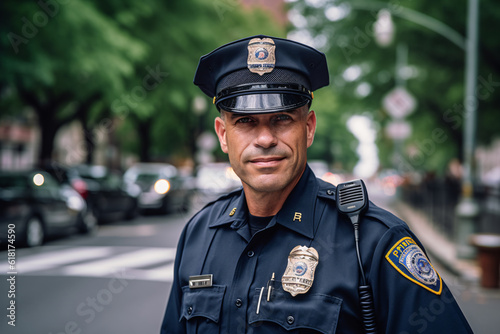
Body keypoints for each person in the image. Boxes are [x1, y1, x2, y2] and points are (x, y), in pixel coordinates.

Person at [160, 35, 473, 334]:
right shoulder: (198, 235)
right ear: (222, 134)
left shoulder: (373, 242)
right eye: (245, 122)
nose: (266, 139)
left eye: (282, 119)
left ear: (308, 128)